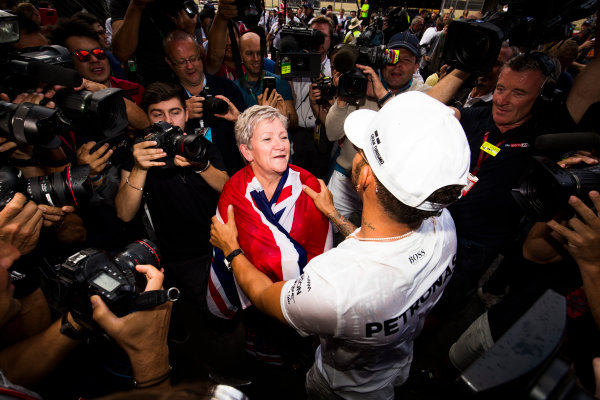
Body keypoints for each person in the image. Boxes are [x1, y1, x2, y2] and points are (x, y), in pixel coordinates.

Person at [210, 92, 470, 399]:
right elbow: (378, 243)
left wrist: (232, 250)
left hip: (341, 388)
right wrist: (333, 214)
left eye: (361, 151)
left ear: (363, 178)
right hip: (398, 362)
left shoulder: (333, 286)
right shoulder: (446, 226)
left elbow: (263, 295)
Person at [427, 51, 600, 314]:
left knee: (444, 306)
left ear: (540, 97)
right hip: (438, 227)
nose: (502, 100)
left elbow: (586, 91)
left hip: (479, 246)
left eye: (518, 93)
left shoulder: (546, 134)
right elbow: (425, 110)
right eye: (500, 88)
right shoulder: (477, 115)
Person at [207, 105, 332, 398]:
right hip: (254, 295)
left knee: (297, 351)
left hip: (301, 295)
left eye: (283, 137)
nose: (281, 145)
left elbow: (322, 250)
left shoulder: (309, 184)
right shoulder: (234, 191)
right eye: (267, 139)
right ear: (247, 151)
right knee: (265, 351)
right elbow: (226, 247)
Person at [114, 82, 228, 309]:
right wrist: (140, 168)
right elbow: (124, 213)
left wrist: (201, 165)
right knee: (190, 307)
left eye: (175, 112)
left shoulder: (200, 144)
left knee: (221, 305)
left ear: (186, 114)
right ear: (148, 118)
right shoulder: (138, 153)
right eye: (158, 114)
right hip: (175, 256)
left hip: (216, 245)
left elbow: (228, 187)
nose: (168, 120)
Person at [326, 31, 430, 235]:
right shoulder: (361, 81)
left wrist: (383, 96)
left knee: (375, 242)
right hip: (346, 179)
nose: (397, 66)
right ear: (382, 58)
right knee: (329, 234)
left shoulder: (422, 94)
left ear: (417, 64)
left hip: (389, 191)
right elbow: (331, 133)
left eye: (406, 61)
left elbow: (412, 132)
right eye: (392, 59)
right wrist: (345, 94)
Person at [163, 29, 247, 176]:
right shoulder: (166, 98)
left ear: (201, 54)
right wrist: (179, 111)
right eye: (182, 62)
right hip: (190, 185)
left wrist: (239, 118)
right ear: (169, 62)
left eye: (194, 58)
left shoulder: (226, 88)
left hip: (232, 178)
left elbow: (251, 134)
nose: (190, 66)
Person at [234, 31, 297, 129]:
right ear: (240, 55)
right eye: (249, 53)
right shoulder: (235, 88)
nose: (256, 58)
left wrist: (284, 116)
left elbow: (294, 122)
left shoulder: (280, 82)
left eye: (259, 53)